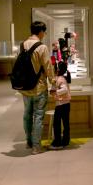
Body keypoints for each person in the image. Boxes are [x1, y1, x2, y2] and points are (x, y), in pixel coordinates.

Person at [19, 21, 55, 154]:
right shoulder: (42, 47)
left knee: (27, 115)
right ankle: (36, 146)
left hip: (25, 87)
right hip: (39, 87)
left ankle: (28, 142)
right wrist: (53, 82)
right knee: (38, 116)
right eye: (44, 32)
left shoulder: (22, 45)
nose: (44, 34)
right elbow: (47, 66)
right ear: (40, 31)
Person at [50, 61, 71, 149]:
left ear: (57, 69)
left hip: (61, 104)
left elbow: (65, 89)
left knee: (57, 123)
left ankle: (57, 142)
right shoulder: (61, 78)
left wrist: (55, 92)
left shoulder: (60, 79)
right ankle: (65, 141)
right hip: (66, 104)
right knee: (65, 123)